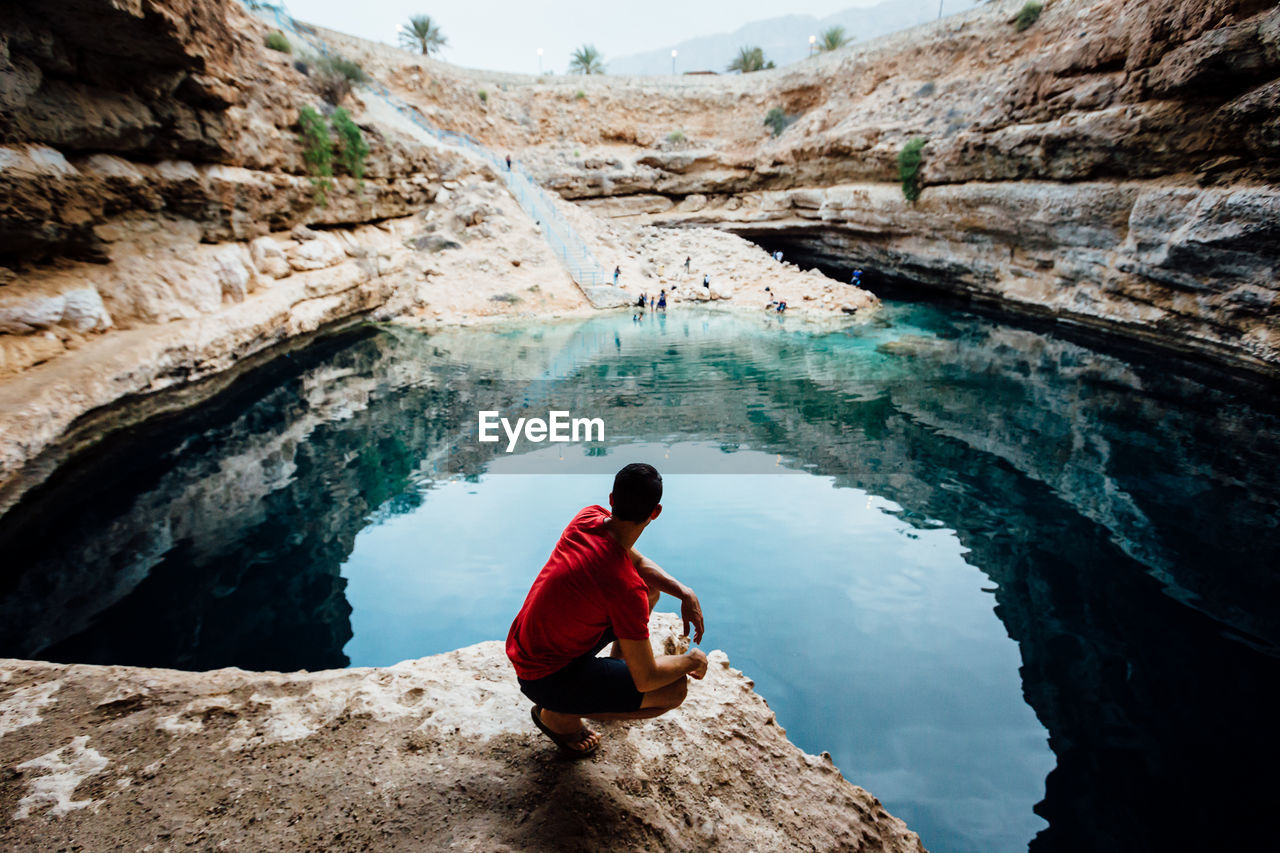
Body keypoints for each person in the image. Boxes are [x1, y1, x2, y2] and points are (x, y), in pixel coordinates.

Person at [507, 464, 707, 756]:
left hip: (529, 650)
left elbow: (637, 563)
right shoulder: (625, 589)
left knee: (651, 587)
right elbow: (648, 678)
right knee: (674, 690)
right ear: (656, 512)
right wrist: (692, 661)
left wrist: (683, 592)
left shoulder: (587, 518)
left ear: (612, 499)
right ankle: (560, 716)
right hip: (545, 679)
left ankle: (617, 665)